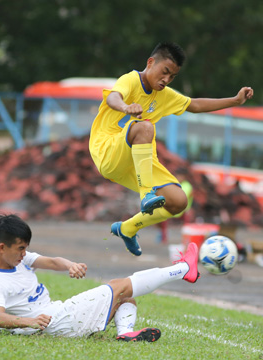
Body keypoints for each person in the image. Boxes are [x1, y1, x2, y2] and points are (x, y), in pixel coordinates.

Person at [89, 42, 253, 256]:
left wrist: (235, 100)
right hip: (106, 150)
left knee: (178, 201)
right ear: (150, 62)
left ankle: (127, 229)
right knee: (145, 127)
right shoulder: (131, 80)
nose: (166, 80)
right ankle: (146, 194)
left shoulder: (164, 94)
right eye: (164, 72)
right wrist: (125, 107)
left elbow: (194, 105)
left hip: (132, 160)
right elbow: (113, 97)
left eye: (172, 76)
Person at [0, 214, 199, 342]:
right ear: (2, 248)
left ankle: (125, 334)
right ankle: (182, 269)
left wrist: (70, 265)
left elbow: (52, 261)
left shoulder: (19, 259)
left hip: (58, 314)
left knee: (126, 300)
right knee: (118, 287)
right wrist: (30, 321)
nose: (24, 254)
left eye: (25, 249)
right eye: (20, 249)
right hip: (55, 324)